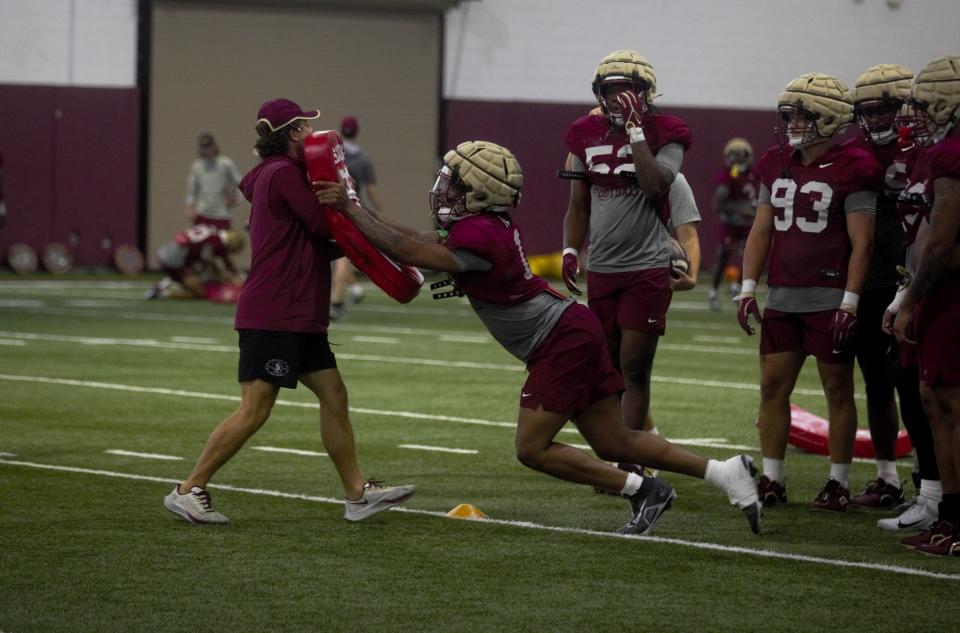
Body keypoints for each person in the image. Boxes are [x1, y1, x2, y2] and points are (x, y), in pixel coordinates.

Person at [315, 139, 761, 536]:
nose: (443, 190)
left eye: (454, 183)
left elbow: (410, 250)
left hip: (558, 340)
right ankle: (726, 473)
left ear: (481, 190)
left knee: (531, 448)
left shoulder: (481, 233)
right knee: (614, 442)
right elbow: (410, 236)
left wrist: (352, 209)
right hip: (569, 330)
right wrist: (354, 205)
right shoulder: (484, 225)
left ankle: (643, 489)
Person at [163, 98, 415, 524]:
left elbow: (322, 239)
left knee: (334, 395)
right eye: (303, 127)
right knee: (255, 409)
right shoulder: (281, 174)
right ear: (289, 133)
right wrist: (349, 204)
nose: (310, 133)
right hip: (276, 310)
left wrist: (378, 241)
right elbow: (323, 226)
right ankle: (189, 489)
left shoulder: (280, 174)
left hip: (298, 310)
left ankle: (356, 495)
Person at [736, 73, 880, 512]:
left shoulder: (855, 165)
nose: (791, 124)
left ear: (830, 118)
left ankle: (837, 482)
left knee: (838, 390)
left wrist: (850, 302)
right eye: (788, 115)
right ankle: (773, 479)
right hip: (782, 295)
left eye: (801, 115)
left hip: (828, 296)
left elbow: (864, 244)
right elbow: (760, 232)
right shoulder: (775, 160)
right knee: (772, 389)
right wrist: (746, 288)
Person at [561, 51, 692, 457]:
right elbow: (578, 205)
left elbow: (655, 186)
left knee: (635, 368)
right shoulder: (583, 133)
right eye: (610, 90)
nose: (617, 98)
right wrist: (569, 248)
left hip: (646, 266)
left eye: (626, 90)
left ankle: (630, 460)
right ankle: (616, 449)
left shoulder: (668, 131)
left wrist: (636, 132)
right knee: (610, 368)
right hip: (602, 266)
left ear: (645, 92)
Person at [848, 64, 939, 517]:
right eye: (869, 111)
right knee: (877, 381)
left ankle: (931, 479)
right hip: (872, 279)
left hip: (916, 277)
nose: (879, 118)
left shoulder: (929, 152)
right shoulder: (853, 149)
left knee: (922, 386)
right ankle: (888, 476)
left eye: (886, 108)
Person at [890, 55, 960, 556]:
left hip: (951, 293)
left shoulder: (950, 156)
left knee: (952, 406)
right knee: (937, 404)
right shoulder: (936, 153)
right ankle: (949, 517)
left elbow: (940, 243)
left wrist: (910, 299)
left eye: (925, 99)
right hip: (937, 290)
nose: (916, 111)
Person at [329, 115, 383, 320]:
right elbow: (371, 189)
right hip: (350, 209)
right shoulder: (363, 158)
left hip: (329, 207)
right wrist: (379, 212)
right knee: (343, 256)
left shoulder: (333, 153)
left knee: (333, 255)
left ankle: (352, 290)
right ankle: (335, 301)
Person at [707, 138, 759, 311]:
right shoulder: (729, 174)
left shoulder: (754, 173)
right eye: (735, 155)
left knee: (750, 256)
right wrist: (742, 209)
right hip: (730, 223)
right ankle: (713, 291)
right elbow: (718, 204)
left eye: (742, 155)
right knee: (724, 256)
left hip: (747, 224)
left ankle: (737, 286)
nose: (738, 159)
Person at [146, 224, 245, 299]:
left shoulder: (214, 232)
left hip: (167, 250)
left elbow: (223, 261)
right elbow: (208, 261)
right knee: (199, 292)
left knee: (195, 273)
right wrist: (223, 276)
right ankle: (163, 292)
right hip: (175, 259)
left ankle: (162, 286)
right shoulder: (218, 243)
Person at [184, 133, 243, 229]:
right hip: (202, 213)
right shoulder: (196, 166)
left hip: (222, 214)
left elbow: (240, 183)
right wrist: (189, 207)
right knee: (200, 243)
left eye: (208, 146)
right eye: (203, 147)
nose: (206, 150)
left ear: (214, 146)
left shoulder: (226, 164)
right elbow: (192, 189)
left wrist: (236, 200)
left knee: (222, 243)